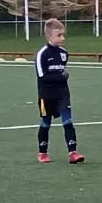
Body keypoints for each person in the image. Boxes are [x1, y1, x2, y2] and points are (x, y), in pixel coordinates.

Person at [33, 17, 84, 164]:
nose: (63, 38)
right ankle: (43, 152)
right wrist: (62, 76)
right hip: (46, 95)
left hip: (62, 94)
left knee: (68, 121)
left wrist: (62, 77)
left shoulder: (64, 53)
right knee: (45, 122)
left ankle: (73, 152)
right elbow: (43, 77)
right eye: (59, 35)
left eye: (63, 35)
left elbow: (61, 74)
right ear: (49, 36)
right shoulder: (42, 54)